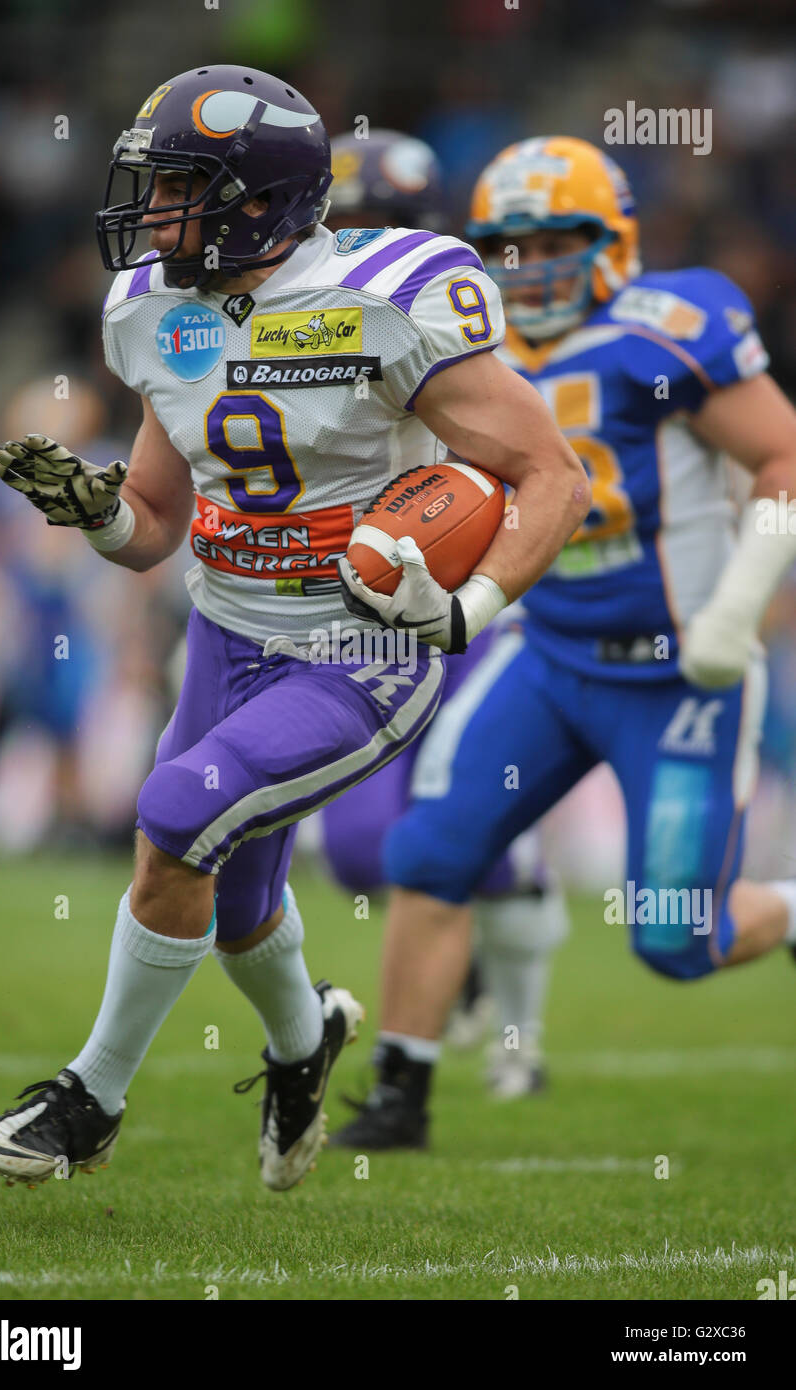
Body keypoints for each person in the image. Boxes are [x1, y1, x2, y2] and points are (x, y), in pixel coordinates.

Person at [0, 78, 588, 1191]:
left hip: (357, 650)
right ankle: (304, 1049)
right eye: (151, 189)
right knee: (232, 900)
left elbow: (550, 474)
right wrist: (96, 512)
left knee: (173, 812)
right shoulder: (155, 306)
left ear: (261, 201)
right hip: (224, 636)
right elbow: (154, 527)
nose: (153, 217)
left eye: (181, 191)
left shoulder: (391, 295)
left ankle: (89, 1101)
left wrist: (463, 608)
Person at [338, 135, 796, 1149]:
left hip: (678, 674)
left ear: (614, 240)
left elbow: (781, 456)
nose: (532, 262)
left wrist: (736, 608)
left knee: (677, 942)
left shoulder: (665, 330)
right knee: (428, 850)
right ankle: (401, 1092)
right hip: (547, 657)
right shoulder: (472, 350)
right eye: (509, 243)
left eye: (556, 239)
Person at [321, 130, 569, 1136]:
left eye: (364, 216)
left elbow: (534, 472)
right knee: (353, 847)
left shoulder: (457, 323)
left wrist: (485, 593)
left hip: (462, 608)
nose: (342, 240)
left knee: (455, 836)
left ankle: (518, 1041)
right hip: (358, 613)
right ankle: (478, 932)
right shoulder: (289, 326)